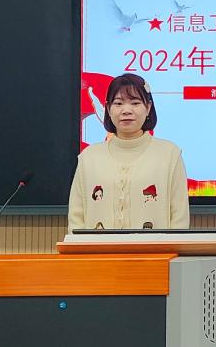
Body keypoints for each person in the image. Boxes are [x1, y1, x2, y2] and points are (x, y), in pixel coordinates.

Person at [68, 73, 190, 230]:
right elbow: (76, 219)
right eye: (118, 103)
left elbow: (179, 219)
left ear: (148, 108)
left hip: (155, 247)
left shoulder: (170, 155)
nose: (126, 110)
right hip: (98, 247)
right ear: (108, 109)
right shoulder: (89, 157)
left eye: (135, 103)